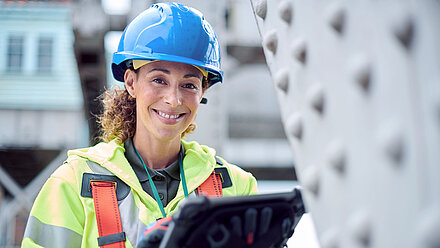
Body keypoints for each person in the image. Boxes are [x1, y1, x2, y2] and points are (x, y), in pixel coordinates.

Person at [21, 2, 257, 247]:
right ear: (131, 83)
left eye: (189, 85)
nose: (173, 100)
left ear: (202, 91)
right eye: (158, 80)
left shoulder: (237, 187)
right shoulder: (72, 183)